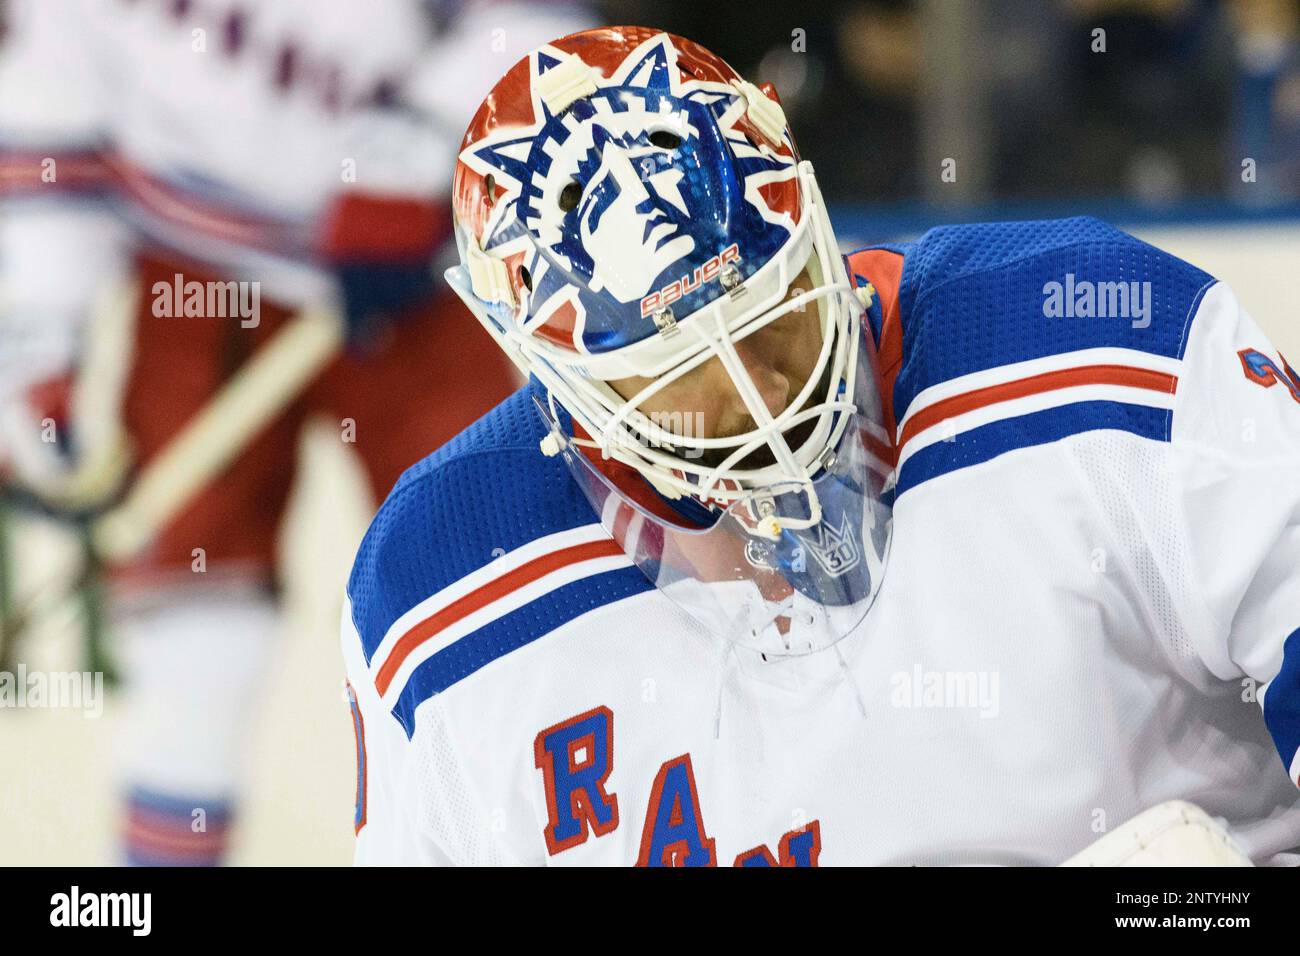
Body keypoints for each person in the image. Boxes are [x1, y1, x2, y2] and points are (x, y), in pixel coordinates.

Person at [342, 26, 1300, 866]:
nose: (764, 400)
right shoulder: (437, 599)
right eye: (688, 380)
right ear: (559, 388)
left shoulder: (1098, 337)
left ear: (810, 219)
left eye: (774, 323)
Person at [0, 0, 588, 865]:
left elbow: (538, 18)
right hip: (194, 271)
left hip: (418, 268)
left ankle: (563, 837)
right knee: (193, 630)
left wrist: (420, 145)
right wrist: (44, 338)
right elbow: (52, 121)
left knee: (508, 569)